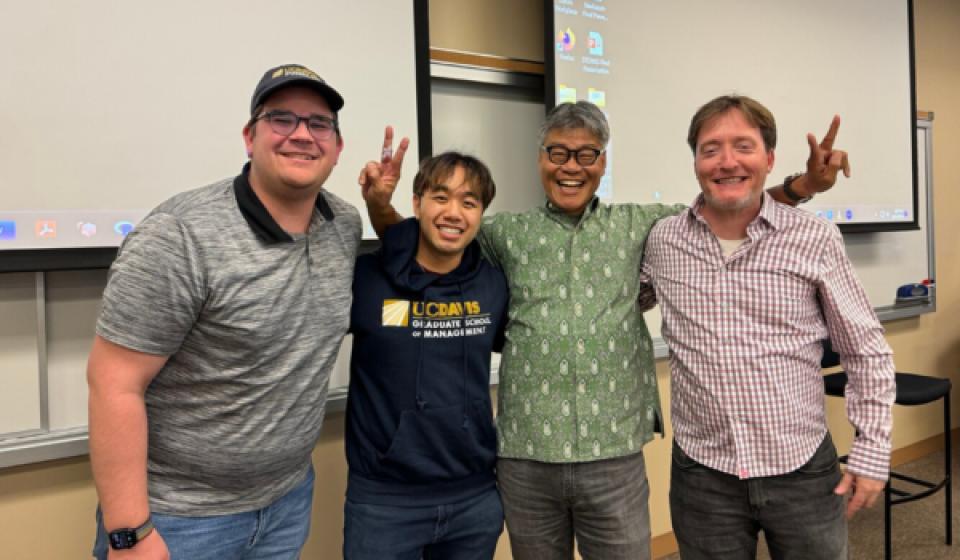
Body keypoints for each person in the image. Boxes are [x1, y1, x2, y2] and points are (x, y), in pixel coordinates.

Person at [363, 100, 845, 560]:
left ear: (602, 161)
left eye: (586, 154)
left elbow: (727, 204)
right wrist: (381, 207)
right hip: (525, 458)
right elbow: (428, 239)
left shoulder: (643, 225)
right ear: (541, 158)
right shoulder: (502, 234)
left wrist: (804, 186)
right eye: (558, 152)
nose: (571, 166)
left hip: (614, 455)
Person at [87, 63, 361, 559]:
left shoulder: (343, 225)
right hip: (180, 519)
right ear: (249, 136)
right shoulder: (179, 236)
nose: (302, 135)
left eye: (319, 123)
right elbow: (114, 383)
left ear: (337, 148)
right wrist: (130, 534)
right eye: (281, 119)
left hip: (286, 502)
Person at [639, 94, 895, 559]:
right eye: (710, 148)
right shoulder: (663, 240)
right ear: (695, 161)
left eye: (743, 146)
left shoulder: (813, 238)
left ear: (770, 159)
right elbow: (619, 302)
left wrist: (873, 448)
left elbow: (865, 349)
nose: (726, 161)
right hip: (702, 474)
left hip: (801, 469)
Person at [343, 152, 509, 560]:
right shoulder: (365, 279)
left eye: (469, 202)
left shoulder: (493, 285)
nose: (454, 213)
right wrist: (378, 205)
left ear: (481, 214)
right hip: (384, 503)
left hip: (474, 497)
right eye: (441, 197)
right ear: (417, 203)